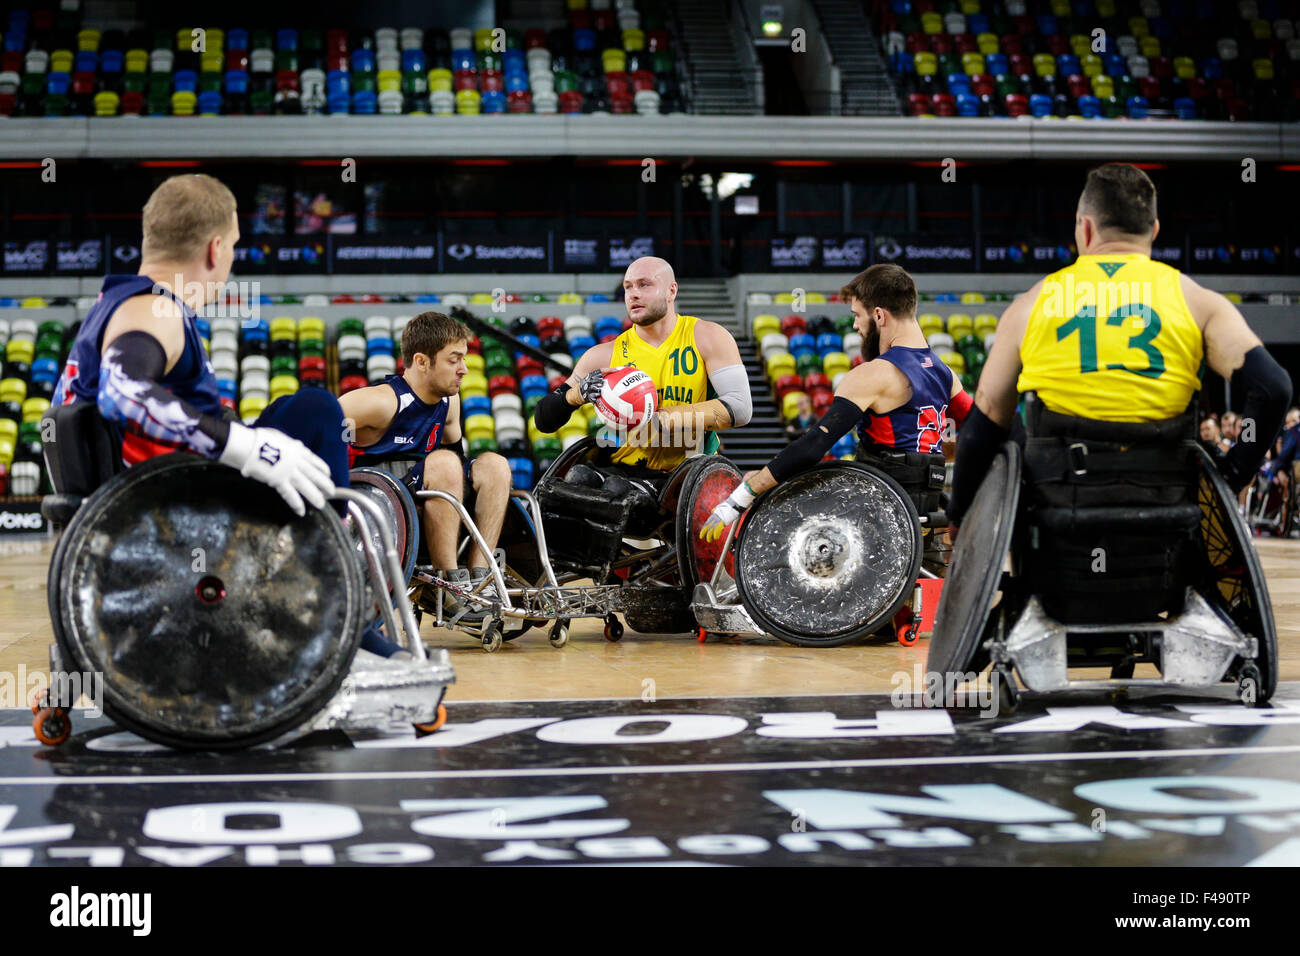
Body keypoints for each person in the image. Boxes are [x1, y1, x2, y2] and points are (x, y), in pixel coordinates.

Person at [54, 174, 402, 657]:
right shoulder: (155, 309)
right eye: (235, 247)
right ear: (216, 249)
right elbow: (125, 392)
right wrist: (246, 447)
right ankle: (331, 612)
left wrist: (236, 430)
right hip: (169, 518)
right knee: (317, 409)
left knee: (285, 411)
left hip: (147, 500)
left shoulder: (114, 302)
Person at [946, 163, 1291, 535]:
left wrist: (959, 514)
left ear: (1086, 227)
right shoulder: (1199, 302)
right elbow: (1273, 389)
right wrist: (1235, 472)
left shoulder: (1031, 304)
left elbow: (984, 425)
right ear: (1154, 230)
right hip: (1167, 511)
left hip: (1059, 512)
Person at [700, 263, 972, 540]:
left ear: (879, 315)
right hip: (926, 511)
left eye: (857, 316)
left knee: (763, 490)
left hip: (879, 515)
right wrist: (932, 459)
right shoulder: (945, 373)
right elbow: (979, 433)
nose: (855, 325)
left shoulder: (874, 373)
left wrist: (743, 495)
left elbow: (813, 445)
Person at [533, 256, 752, 510]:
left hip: (684, 475)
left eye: (644, 285)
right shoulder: (603, 355)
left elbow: (741, 408)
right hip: (621, 469)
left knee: (617, 492)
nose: (633, 294)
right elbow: (543, 420)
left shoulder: (708, 336)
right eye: (628, 287)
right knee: (574, 482)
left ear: (672, 291)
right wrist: (577, 395)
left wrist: (662, 419)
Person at [340, 311, 512, 620]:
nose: (464, 369)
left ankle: (480, 579)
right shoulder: (380, 402)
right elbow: (314, 424)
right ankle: (447, 585)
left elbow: (457, 454)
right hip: (380, 496)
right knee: (444, 463)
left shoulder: (449, 402)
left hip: (427, 490)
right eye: (454, 360)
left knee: (495, 465)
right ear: (421, 361)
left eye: (464, 359)